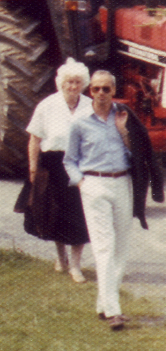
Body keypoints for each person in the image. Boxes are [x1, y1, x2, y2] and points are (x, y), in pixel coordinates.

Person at [64, 70, 161, 330]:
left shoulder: (125, 117)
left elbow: (139, 153)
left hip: (122, 183)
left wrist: (123, 132)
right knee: (104, 247)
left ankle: (102, 304)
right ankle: (113, 310)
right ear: (90, 91)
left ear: (113, 90)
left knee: (121, 247)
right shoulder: (80, 122)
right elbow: (69, 160)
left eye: (106, 89)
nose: (101, 94)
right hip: (94, 184)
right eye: (96, 89)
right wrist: (82, 183)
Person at [16, 60, 92, 281]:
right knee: (55, 213)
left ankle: (76, 266)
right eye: (69, 81)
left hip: (80, 165)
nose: (73, 86)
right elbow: (34, 139)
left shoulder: (89, 105)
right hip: (53, 165)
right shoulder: (47, 105)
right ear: (61, 83)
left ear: (83, 84)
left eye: (77, 82)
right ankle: (61, 258)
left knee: (80, 215)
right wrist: (32, 169)